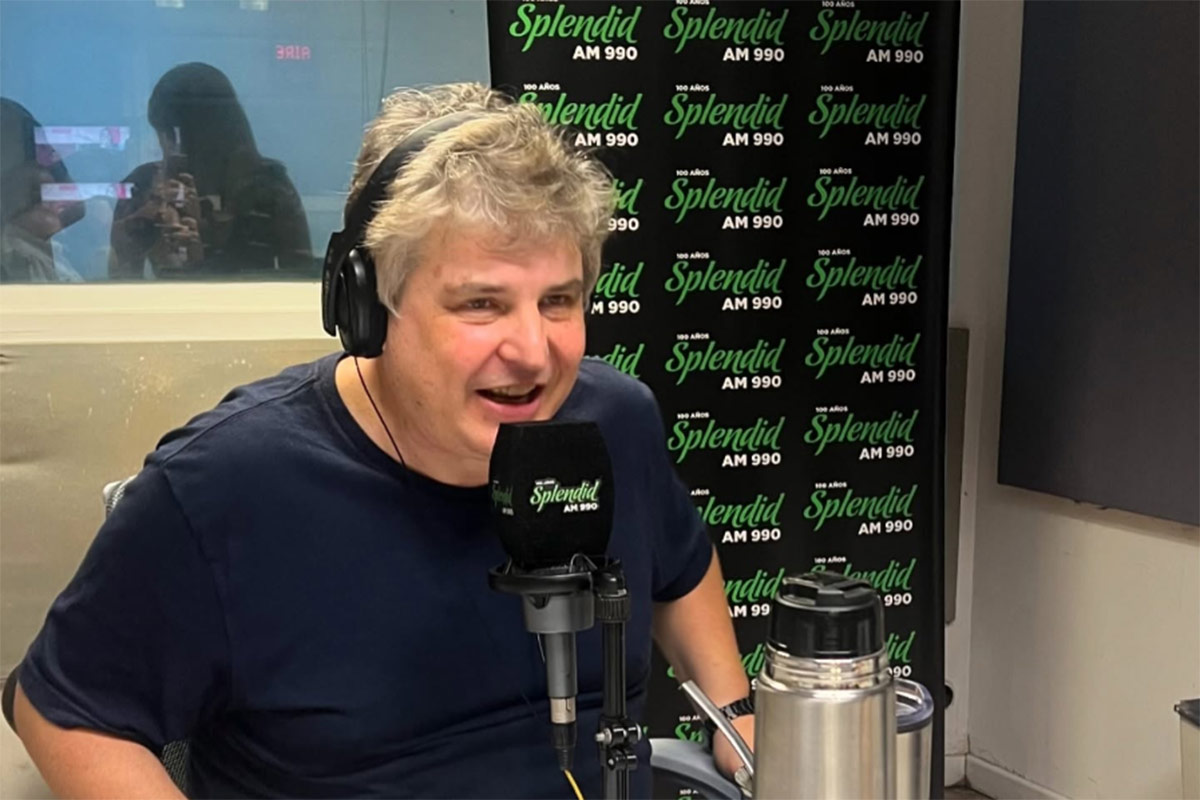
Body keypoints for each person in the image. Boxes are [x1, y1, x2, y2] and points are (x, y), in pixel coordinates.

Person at [13, 83, 753, 798]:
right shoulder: (226, 487)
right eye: (481, 304)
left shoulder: (614, 421)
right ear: (370, 305)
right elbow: (64, 710)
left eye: (558, 300)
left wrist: (738, 718)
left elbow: (680, 567)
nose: (534, 352)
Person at [109, 63, 312, 280]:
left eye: (173, 133)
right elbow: (302, 279)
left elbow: (301, 274)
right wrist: (127, 246)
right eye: (165, 133)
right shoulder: (144, 186)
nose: (168, 145)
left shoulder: (268, 187)